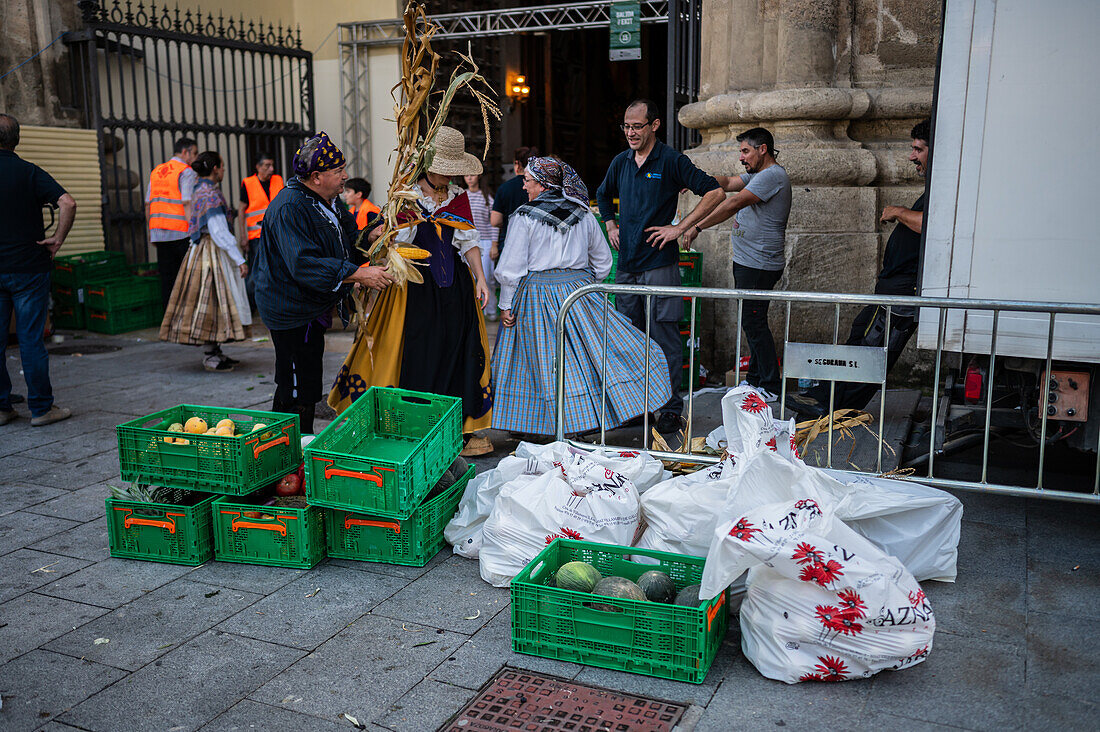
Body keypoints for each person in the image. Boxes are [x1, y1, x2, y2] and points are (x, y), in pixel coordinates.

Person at [328, 126, 495, 457]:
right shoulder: (407, 195)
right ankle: (411, 423)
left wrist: (481, 279)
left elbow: (469, 242)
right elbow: (394, 243)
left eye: (453, 169)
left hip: (455, 290)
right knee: (416, 350)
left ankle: (456, 427)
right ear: (430, 164)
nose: (449, 176)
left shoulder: (458, 197)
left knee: (457, 348)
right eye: (445, 168)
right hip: (413, 289)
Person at [493, 156, 671, 436]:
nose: (524, 186)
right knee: (583, 359)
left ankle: (540, 425)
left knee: (542, 361)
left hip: (537, 294)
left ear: (542, 184)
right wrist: (588, 287)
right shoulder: (584, 214)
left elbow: (511, 267)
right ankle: (580, 423)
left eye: (527, 181)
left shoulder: (524, 216)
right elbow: (603, 261)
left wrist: (506, 304)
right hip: (579, 293)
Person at [785, 120, 932, 418]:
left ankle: (829, 405)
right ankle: (828, 400)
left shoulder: (944, 189)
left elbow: (929, 225)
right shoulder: (937, 187)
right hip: (895, 289)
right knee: (864, 342)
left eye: (918, 149)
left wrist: (899, 212)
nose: (912, 156)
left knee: (869, 348)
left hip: (904, 291)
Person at [596, 99, 725, 433]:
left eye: (637, 126)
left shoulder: (670, 160)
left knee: (664, 339)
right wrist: (610, 224)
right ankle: (635, 406)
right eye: (626, 126)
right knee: (629, 340)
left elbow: (714, 193)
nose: (630, 133)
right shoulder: (622, 161)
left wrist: (680, 228)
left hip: (659, 265)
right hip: (626, 267)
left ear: (654, 125)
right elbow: (603, 192)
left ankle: (668, 408)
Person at [252, 132, 393, 433]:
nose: (345, 176)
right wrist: (357, 274)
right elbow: (303, 262)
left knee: (308, 378)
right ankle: (284, 450)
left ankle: (302, 440)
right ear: (316, 177)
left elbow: (346, 238)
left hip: (311, 304)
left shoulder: (329, 200)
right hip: (289, 307)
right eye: (338, 171)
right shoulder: (290, 206)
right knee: (293, 382)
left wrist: (367, 236)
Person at [683, 126, 792, 402]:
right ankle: (756, 379)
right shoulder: (757, 174)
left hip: (759, 264)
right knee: (753, 321)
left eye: (746, 151)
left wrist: (697, 226)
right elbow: (729, 182)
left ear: (762, 149)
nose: (742, 157)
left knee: (753, 323)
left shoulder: (772, 176)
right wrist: (697, 182)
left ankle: (769, 383)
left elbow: (733, 203)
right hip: (749, 261)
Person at [0, 113, 75, 427]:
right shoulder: (29, 172)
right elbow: (68, 203)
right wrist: (57, 239)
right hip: (29, 267)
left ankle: (2, 408)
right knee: (30, 340)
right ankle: (42, 408)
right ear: (16, 140)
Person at [159, 151, 251, 372]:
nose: (224, 170)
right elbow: (218, 231)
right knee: (214, 300)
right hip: (211, 251)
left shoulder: (200, 190)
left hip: (201, 249)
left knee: (213, 302)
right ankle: (211, 355)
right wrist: (239, 259)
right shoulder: (209, 194)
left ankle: (215, 351)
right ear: (215, 169)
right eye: (222, 166)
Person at [147, 136, 198, 307]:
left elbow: (148, 203)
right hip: (181, 233)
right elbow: (186, 201)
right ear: (185, 152)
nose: (195, 158)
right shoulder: (185, 171)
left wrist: (151, 232)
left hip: (160, 234)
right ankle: (184, 321)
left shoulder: (156, 172)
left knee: (167, 281)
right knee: (186, 280)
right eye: (194, 153)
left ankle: (168, 323)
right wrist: (194, 231)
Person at [490, 145, 538, 260]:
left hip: (509, 242)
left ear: (517, 164)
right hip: (535, 244)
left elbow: (495, 221)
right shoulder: (539, 188)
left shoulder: (505, 188)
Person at [464, 172, 499, 319]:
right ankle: (470, 312)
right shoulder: (461, 196)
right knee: (468, 279)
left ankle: (490, 311)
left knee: (487, 278)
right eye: (467, 175)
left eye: (472, 175)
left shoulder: (487, 197)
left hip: (484, 241)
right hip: (465, 243)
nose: (469, 178)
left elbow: (494, 224)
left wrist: (494, 245)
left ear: (478, 177)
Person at [237, 152, 284, 247]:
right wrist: (243, 236)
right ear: (258, 167)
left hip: (277, 234)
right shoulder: (248, 183)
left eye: (272, 165)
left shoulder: (278, 180)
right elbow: (241, 210)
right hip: (257, 237)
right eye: (267, 165)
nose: (272, 169)